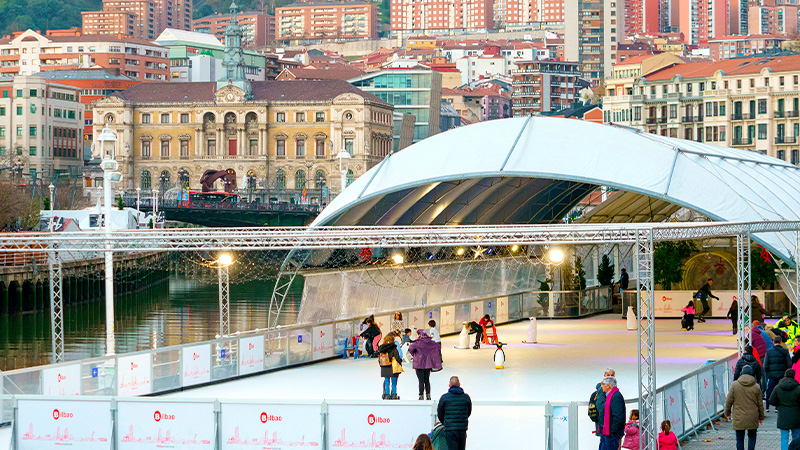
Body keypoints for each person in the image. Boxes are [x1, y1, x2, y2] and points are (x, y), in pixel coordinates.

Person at [725, 365, 765, 450]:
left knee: (739, 438)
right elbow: (760, 404)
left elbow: (729, 401)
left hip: (739, 416)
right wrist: (761, 417)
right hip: (752, 416)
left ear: (741, 373)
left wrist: (727, 413)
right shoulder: (756, 387)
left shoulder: (734, 385)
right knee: (752, 436)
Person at [437, 376, 472, 450]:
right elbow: (468, 412)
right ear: (459, 384)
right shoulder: (466, 397)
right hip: (462, 429)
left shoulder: (444, 398)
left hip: (450, 429)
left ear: (449, 385)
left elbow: (440, 413)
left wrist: (445, 422)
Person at [769, 368, 800, 450]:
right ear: (794, 376)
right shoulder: (798, 388)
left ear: (785, 375)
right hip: (796, 416)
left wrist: (779, 404)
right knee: (796, 437)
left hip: (783, 416)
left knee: (784, 438)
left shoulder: (778, 387)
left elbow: (771, 401)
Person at [408, 329, 443, 400]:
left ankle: (421, 395)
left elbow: (410, 349)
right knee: (427, 380)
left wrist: (415, 355)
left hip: (419, 364)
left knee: (421, 380)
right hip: (428, 364)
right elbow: (438, 346)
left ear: (419, 334)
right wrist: (431, 353)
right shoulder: (430, 342)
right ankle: (428, 395)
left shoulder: (417, 342)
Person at [765, 336, 793, 412]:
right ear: (781, 342)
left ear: (773, 342)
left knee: (770, 390)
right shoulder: (785, 351)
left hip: (772, 375)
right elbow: (789, 363)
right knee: (781, 390)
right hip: (782, 374)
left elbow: (766, 365)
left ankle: (767, 406)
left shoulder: (769, 351)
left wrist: (768, 372)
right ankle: (777, 407)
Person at [597, 376, 625, 450]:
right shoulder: (608, 396)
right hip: (605, 432)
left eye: (603, 384)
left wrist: (613, 431)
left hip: (610, 433)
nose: (601, 386)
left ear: (608, 386)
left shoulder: (616, 396)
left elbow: (618, 416)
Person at [593, 368, 616, 436]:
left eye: (612, 375)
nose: (610, 377)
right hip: (605, 423)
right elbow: (599, 405)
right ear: (604, 375)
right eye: (608, 375)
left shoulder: (612, 386)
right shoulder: (602, 388)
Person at [378, 334, 402, 400]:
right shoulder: (394, 348)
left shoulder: (381, 348)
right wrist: (400, 364)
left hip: (384, 367)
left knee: (387, 381)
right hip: (393, 367)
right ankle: (394, 394)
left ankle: (387, 394)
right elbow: (397, 357)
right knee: (394, 382)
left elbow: (379, 359)